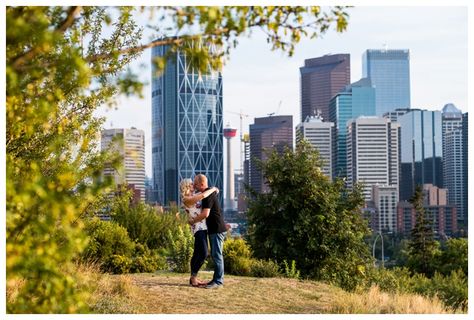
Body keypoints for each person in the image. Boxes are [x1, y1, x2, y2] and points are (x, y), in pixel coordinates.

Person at [189, 174, 227, 289]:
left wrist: (193, 221)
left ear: (201, 184)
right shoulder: (208, 193)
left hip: (216, 228)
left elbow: (206, 214)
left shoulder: (207, 195)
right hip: (213, 229)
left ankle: (218, 281)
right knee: (215, 255)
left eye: (196, 183)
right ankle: (215, 280)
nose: (194, 185)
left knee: (217, 255)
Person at [179, 178, 218, 287]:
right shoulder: (186, 199)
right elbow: (202, 196)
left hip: (202, 227)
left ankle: (193, 278)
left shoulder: (192, 196)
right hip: (198, 228)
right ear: (187, 187)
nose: (194, 185)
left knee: (197, 253)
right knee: (204, 253)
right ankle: (193, 277)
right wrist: (213, 189)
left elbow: (203, 195)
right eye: (191, 184)